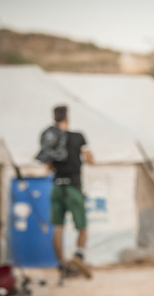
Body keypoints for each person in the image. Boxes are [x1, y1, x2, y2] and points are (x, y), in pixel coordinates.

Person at [39, 105, 94, 285]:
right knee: (82, 226)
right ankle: (79, 255)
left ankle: (61, 265)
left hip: (56, 186)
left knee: (58, 228)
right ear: (67, 118)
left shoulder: (51, 139)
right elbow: (90, 159)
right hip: (73, 187)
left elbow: (47, 167)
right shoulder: (77, 137)